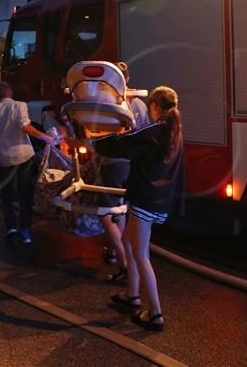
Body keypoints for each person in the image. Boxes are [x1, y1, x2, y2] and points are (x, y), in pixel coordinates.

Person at [94, 86, 185, 331]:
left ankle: (155, 313)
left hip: (147, 200)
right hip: (157, 199)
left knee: (141, 255)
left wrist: (96, 139)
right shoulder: (173, 130)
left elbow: (124, 143)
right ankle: (132, 295)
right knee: (128, 241)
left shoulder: (156, 130)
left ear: (154, 106)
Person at [0, 82, 56, 244]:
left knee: (6, 195)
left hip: (4, 159)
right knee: (24, 195)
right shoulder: (20, 106)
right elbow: (25, 127)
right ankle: (25, 231)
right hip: (24, 157)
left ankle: (11, 227)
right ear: (11, 92)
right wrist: (46, 137)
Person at [98, 62, 151, 281]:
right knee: (122, 211)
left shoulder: (106, 102)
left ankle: (124, 263)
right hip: (132, 164)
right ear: (127, 79)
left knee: (106, 214)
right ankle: (122, 259)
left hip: (112, 164)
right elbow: (146, 130)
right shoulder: (138, 102)